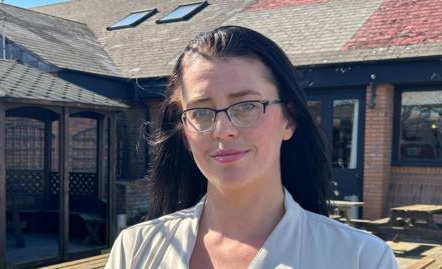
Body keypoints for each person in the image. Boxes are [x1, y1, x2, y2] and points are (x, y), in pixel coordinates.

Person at [105, 26, 397, 269]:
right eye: (200, 112)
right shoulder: (136, 250)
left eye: (246, 106)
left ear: (289, 120)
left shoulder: (362, 259)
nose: (223, 130)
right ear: (184, 135)